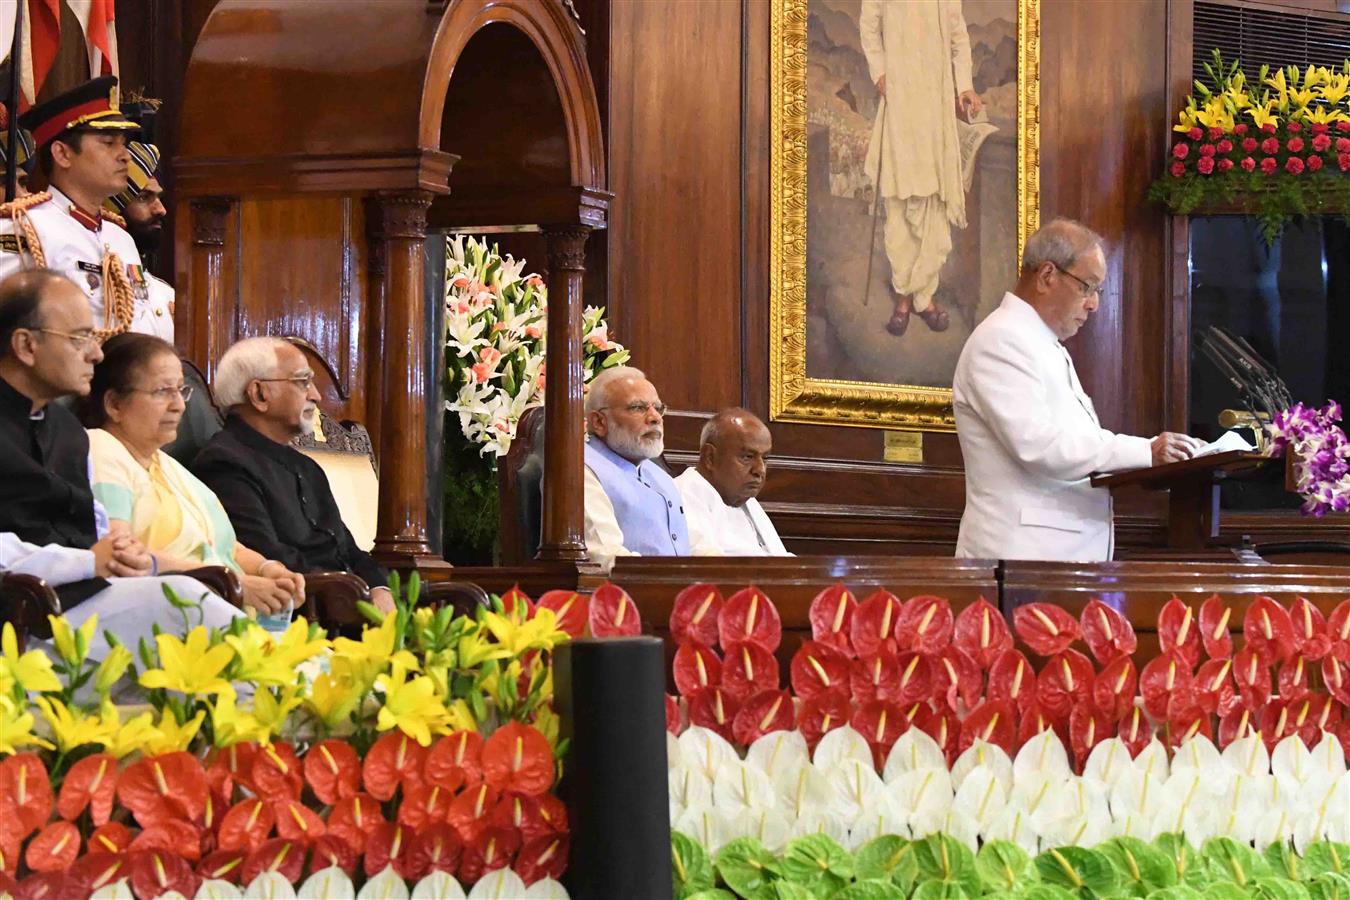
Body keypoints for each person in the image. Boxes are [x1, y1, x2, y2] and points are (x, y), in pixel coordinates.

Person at [0, 269, 239, 654]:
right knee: (184, 608)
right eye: (80, 338)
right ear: (26, 346)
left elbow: (93, 533)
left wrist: (124, 554)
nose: (96, 353)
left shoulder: (67, 431)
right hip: (22, 618)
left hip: (84, 603)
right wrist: (84, 562)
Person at [953, 218, 1203, 561]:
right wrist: (1147, 451)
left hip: (1053, 559)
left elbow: (1077, 445)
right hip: (1022, 560)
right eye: (1087, 286)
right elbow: (1039, 446)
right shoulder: (1002, 340)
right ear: (1046, 276)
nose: (1094, 303)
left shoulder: (1040, 342)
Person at [78, 332, 306, 617]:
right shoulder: (102, 449)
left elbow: (226, 548)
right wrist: (231, 582)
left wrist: (269, 569)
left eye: (181, 390)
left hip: (225, 612)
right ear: (114, 404)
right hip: (161, 618)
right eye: (163, 391)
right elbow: (120, 556)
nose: (179, 405)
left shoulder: (169, 466)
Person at [192, 337, 395, 613]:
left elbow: (347, 548)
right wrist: (353, 592)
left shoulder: (307, 467)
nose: (316, 395)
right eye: (302, 381)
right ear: (259, 394)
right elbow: (265, 556)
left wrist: (379, 588)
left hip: (352, 603)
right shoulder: (223, 462)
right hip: (304, 614)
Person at [0, 76, 172, 342]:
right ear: (63, 154)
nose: (124, 155)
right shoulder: (25, 229)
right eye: (108, 143)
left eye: (123, 143)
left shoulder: (120, 238)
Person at [860, 0, 981, 336]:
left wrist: (965, 86)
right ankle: (903, 297)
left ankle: (924, 298)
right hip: (900, 102)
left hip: (936, 106)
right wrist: (879, 71)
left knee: (934, 204)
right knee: (899, 203)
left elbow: (958, 37)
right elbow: (869, 25)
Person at [583, 366, 721, 570]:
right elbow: (605, 557)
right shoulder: (581, 471)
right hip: (630, 596)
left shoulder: (660, 476)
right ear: (599, 422)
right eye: (638, 408)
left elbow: (695, 546)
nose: (655, 418)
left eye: (658, 408)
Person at [675, 408, 792, 556]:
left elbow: (778, 559)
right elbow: (709, 567)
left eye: (765, 459)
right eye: (747, 457)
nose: (760, 470)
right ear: (709, 457)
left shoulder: (742, 497)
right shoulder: (681, 497)